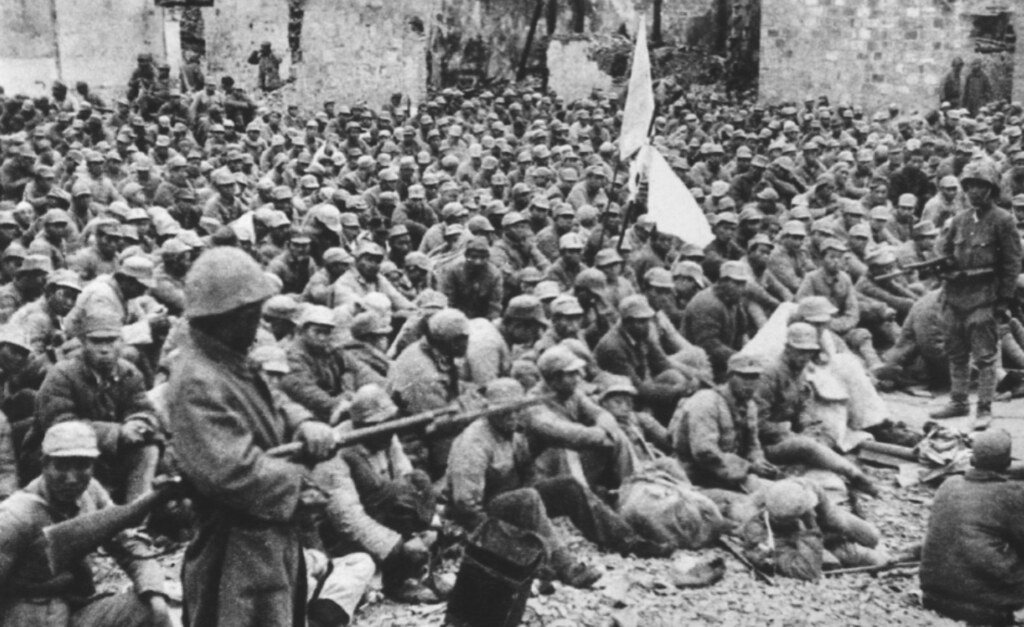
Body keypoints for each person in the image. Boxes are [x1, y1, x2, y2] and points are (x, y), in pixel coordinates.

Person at [168, 247, 336, 627]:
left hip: (265, 533)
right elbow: (232, 472)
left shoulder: (228, 357)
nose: (259, 322)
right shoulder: (198, 379)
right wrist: (298, 483)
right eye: (253, 315)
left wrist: (304, 423)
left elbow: (270, 399)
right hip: (234, 545)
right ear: (232, 317)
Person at [0, 422, 172, 627]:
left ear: (93, 466)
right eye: (61, 466)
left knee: (146, 607)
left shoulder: (91, 492)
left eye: (82, 465)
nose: (72, 479)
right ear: (44, 464)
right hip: (27, 618)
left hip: (75, 610)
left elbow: (129, 545)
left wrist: (154, 593)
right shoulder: (16, 515)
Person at [32, 306, 160, 503]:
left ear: (122, 342)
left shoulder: (129, 373)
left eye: (111, 340)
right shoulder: (62, 375)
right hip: (61, 456)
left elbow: (143, 408)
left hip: (108, 456)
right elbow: (61, 425)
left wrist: (138, 423)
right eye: (97, 341)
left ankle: (136, 513)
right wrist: (118, 433)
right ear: (83, 343)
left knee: (148, 450)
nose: (104, 349)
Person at [931, 160, 1022, 430]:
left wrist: (1003, 300)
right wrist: (945, 265)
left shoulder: (1003, 220)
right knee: (956, 352)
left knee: (985, 357)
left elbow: (1011, 264)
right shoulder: (959, 220)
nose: (974, 191)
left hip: (985, 296)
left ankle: (984, 407)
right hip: (955, 295)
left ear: (991, 189)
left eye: (980, 186)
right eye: (969, 186)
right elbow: (945, 251)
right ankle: (959, 400)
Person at [920, 429, 1024, 626]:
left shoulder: (949, 484)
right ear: (1008, 462)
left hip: (933, 594)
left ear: (972, 459)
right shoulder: (1011, 494)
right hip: (985, 603)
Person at [671, 353, 779, 490]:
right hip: (695, 478)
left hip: (730, 474)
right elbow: (704, 452)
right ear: (730, 376)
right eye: (744, 377)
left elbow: (752, 445)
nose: (750, 384)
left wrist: (759, 461)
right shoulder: (707, 401)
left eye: (754, 377)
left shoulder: (749, 405)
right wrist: (749, 467)